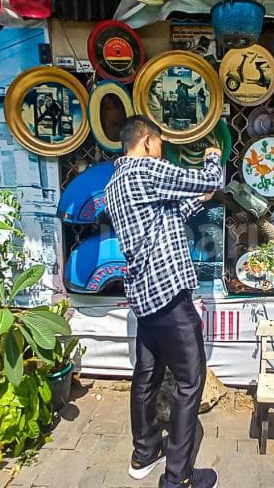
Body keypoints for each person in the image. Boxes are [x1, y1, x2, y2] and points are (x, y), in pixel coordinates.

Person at [105, 116, 224, 488]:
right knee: (190, 382)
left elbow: (163, 221)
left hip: (145, 299)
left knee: (147, 377)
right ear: (147, 142)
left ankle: (145, 453)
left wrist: (196, 201)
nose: (163, 152)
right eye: (160, 145)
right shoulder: (144, 171)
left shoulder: (116, 184)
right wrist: (212, 159)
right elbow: (210, 179)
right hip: (170, 297)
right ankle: (179, 478)